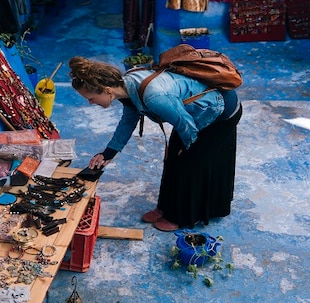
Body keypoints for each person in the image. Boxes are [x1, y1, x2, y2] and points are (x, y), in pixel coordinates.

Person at [69, 56, 242, 232]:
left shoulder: (153, 96)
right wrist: (108, 153)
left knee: (189, 165)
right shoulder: (126, 86)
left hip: (219, 113)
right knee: (172, 160)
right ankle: (165, 208)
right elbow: (128, 121)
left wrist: (187, 150)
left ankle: (180, 217)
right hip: (194, 113)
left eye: (91, 98)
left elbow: (186, 125)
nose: (90, 103)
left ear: (106, 90)